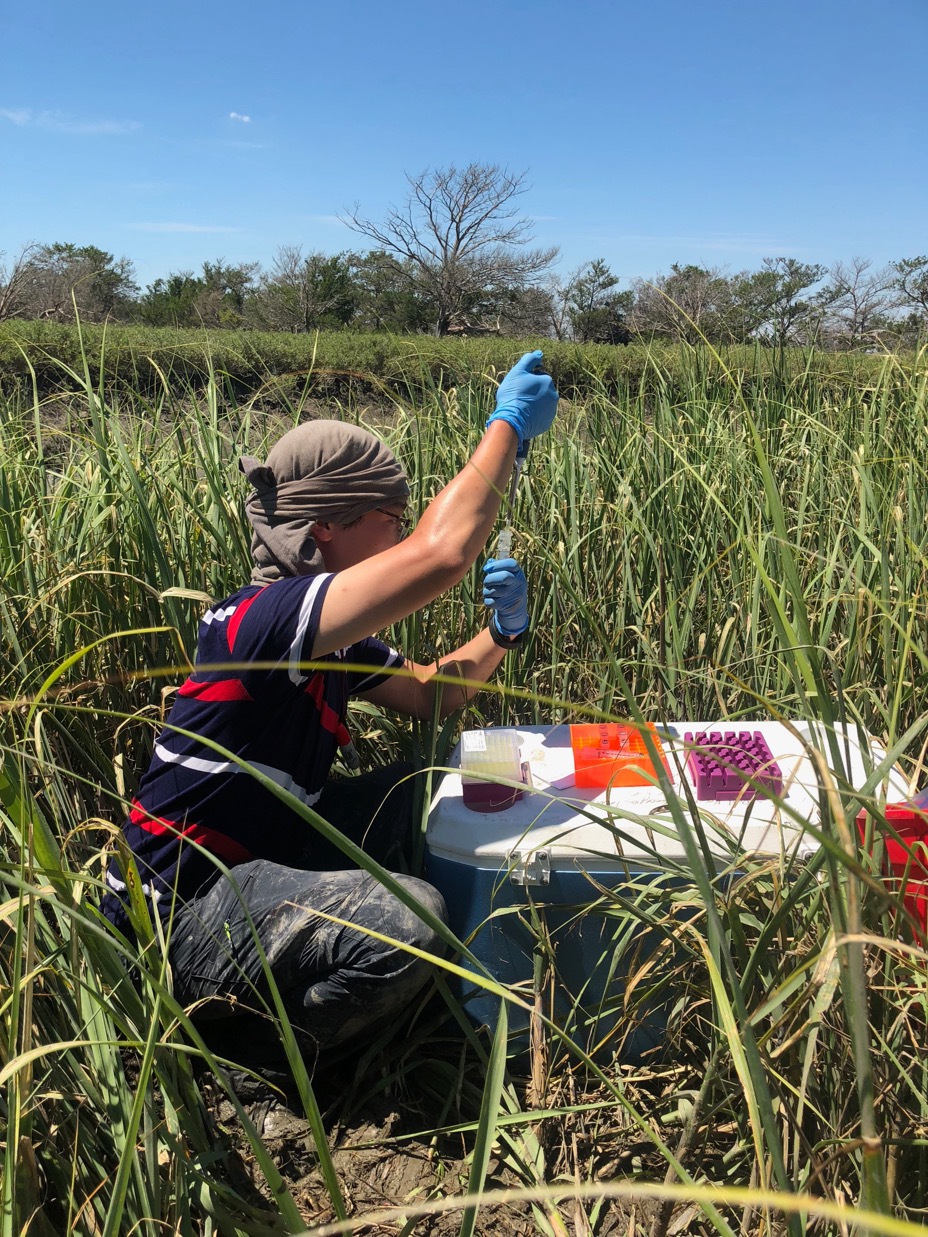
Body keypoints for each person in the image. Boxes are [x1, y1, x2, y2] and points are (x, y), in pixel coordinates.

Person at [101, 350, 558, 1093]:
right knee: (409, 924)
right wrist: (506, 428)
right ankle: (258, 1062)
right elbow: (440, 553)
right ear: (326, 529)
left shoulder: (329, 639)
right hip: (181, 914)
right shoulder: (262, 621)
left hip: (262, 862)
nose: (401, 538)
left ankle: (362, 987)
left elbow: (431, 695)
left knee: (434, 787)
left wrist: (503, 632)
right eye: (392, 521)